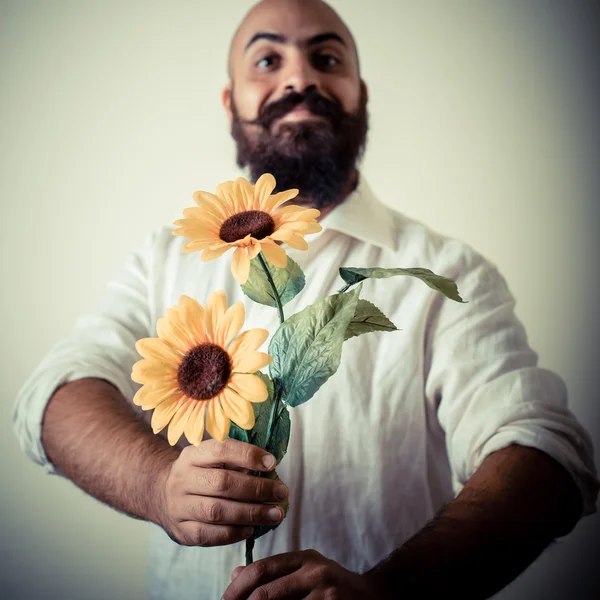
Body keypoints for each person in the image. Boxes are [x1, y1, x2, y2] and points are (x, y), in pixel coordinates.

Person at [12, 0, 598, 598]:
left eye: (326, 57)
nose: (299, 78)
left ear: (360, 93)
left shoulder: (446, 274)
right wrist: (157, 484)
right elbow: (56, 393)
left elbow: (544, 451)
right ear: (230, 101)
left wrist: (388, 592)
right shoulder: (166, 259)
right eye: (267, 59)